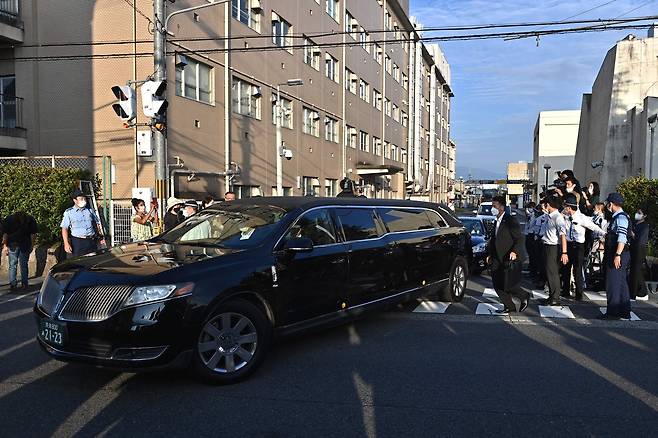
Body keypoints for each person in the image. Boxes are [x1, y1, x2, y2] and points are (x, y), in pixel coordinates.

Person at [486, 196, 529, 314]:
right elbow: (494, 239)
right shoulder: (496, 221)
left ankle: (524, 295)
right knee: (497, 284)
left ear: (501, 206)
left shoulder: (510, 220)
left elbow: (519, 238)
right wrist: (490, 254)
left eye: (494, 206)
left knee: (508, 284)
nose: (492, 209)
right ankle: (509, 306)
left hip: (508, 257)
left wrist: (514, 251)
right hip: (496, 257)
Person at [561, 195, 604, 301]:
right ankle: (565, 290)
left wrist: (604, 234)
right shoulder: (565, 217)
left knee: (577, 269)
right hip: (568, 244)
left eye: (566, 206)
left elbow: (593, 227)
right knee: (565, 268)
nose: (565, 208)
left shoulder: (581, 218)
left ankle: (579, 293)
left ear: (570, 208)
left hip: (578, 246)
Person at [601, 193, 632, 320]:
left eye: (608, 203)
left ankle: (613, 312)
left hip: (618, 252)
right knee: (621, 282)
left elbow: (622, 238)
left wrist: (617, 254)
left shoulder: (620, 218)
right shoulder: (622, 217)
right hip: (620, 253)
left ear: (611, 204)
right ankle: (624, 311)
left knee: (613, 283)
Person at [541, 196, 569, 306]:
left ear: (549, 205)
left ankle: (555, 297)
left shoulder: (558, 217)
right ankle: (551, 295)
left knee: (553, 272)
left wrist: (564, 252)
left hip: (553, 247)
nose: (544, 206)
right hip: (547, 245)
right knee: (549, 272)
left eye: (546, 204)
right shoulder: (550, 216)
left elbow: (563, 236)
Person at [61, 189, 105, 257]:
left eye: (84, 199)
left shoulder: (90, 211)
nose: (83, 200)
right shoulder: (69, 212)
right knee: (79, 263)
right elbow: (64, 228)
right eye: (81, 199)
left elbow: (97, 223)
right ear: (75, 200)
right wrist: (66, 243)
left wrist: (100, 237)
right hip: (78, 242)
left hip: (91, 241)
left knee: (93, 262)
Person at [2, 211, 37, 291]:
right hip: (25, 244)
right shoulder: (30, 219)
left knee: (12, 265)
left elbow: (5, 234)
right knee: (24, 264)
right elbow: (33, 235)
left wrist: (5, 246)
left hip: (13, 244)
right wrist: (31, 245)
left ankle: (13, 284)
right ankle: (24, 284)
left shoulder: (9, 219)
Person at [628, 207, 650, 299]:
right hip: (633, 248)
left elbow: (640, 239)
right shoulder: (635, 223)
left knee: (636, 270)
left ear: (644, 216)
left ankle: (638, 292)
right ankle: (638, 290)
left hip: (639, 249)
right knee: (635, 270)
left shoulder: (645, 226)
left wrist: (632, 235)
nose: (637, 214)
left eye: (639, 213)